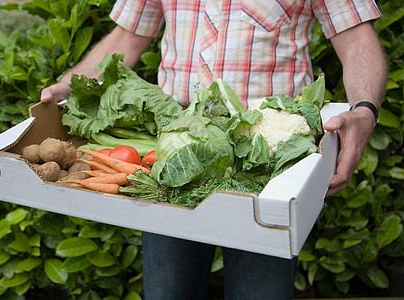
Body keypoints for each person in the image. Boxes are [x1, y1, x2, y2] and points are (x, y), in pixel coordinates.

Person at [41, 0, 388, 299]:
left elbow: (357, 39)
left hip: (271, 167)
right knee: (167, 293)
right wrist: (74, 86)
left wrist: (364, 112)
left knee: (260, 293)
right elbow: (127, 36)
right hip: (172, 162)